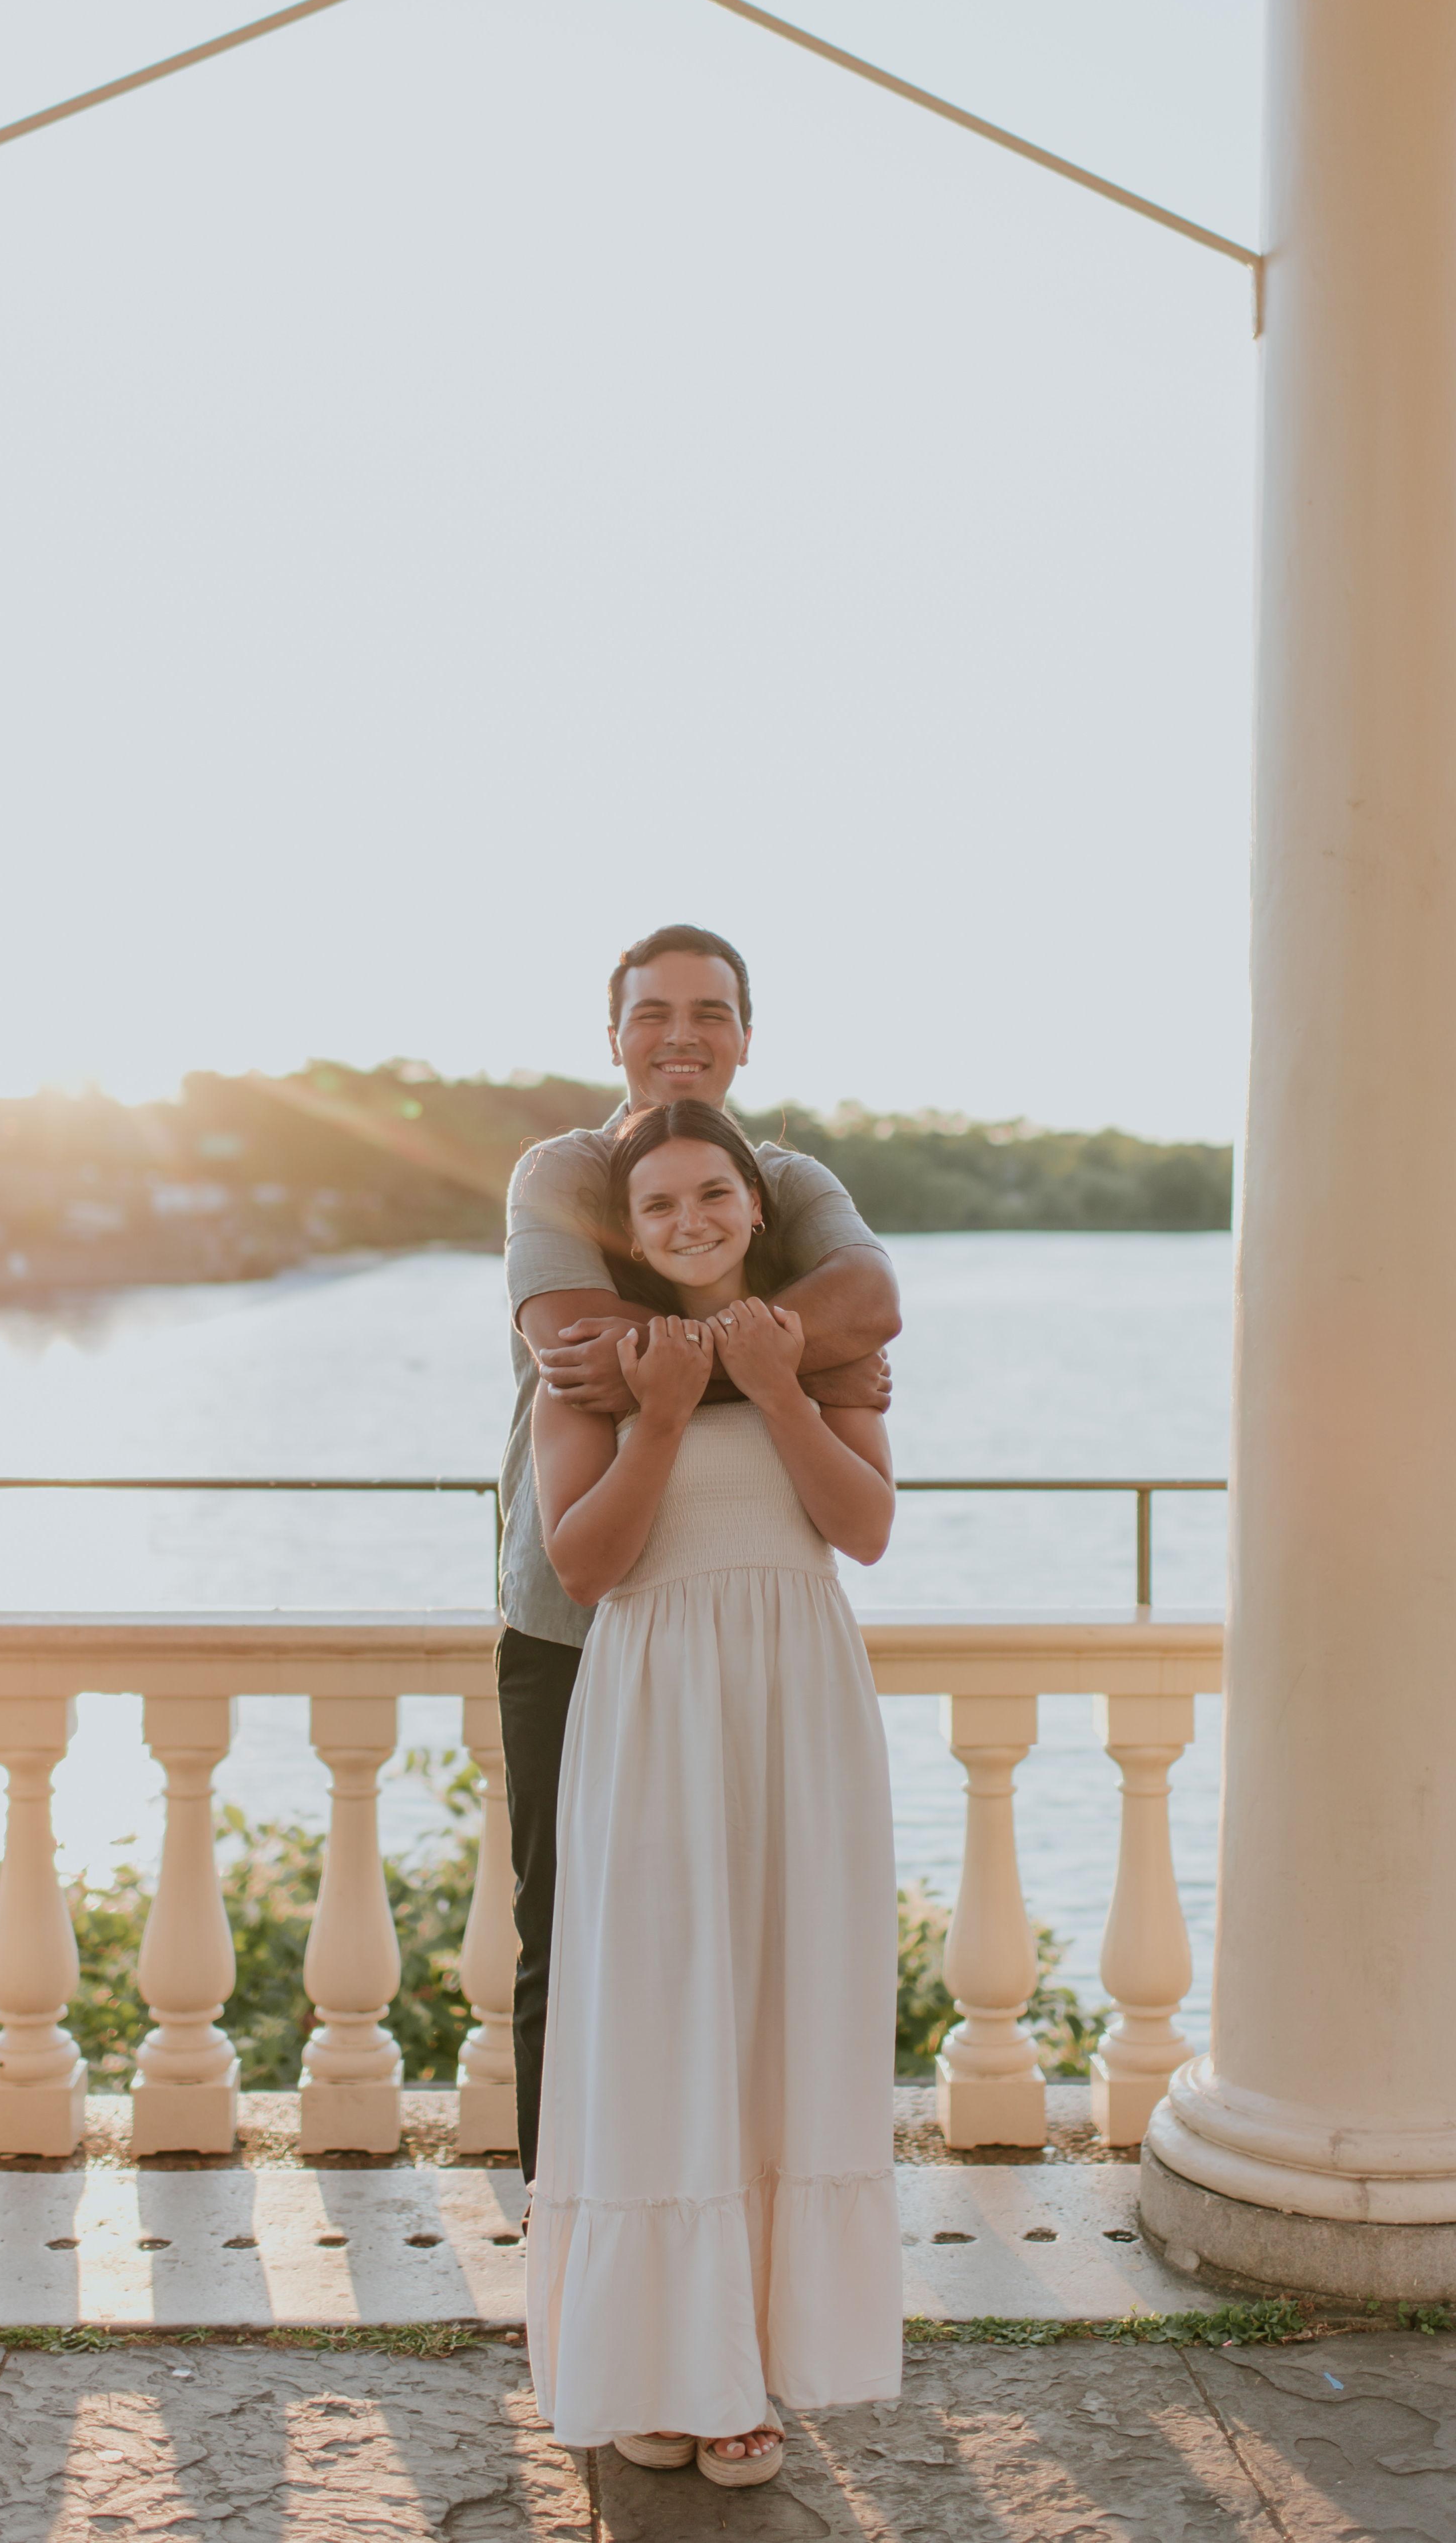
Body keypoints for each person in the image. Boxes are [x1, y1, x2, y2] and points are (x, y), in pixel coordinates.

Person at [522, 1099, 902, 2477]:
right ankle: (654, 2362)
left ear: (754, 1205)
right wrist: (663, 1417)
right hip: (656, 1708)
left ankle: (749, 2368)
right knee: (659, 2018)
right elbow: (584, 1567)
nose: (690, 1220)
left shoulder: (828, 1355)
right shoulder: (593, 1375)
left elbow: (863, 1527)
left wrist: (779, 1387)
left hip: (798, 1703)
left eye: (713, 1194)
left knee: (781, 2015)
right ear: (630, 1234)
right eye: (659, 1205)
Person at [494, 925, 900, 2192]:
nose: (683, 1035)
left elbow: (873, 1303)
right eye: (654, 1013)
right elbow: (575, 1340)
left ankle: (741, 2233)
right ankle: (573, 2240)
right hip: (577, 1618)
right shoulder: (562, 1171)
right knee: (576, 1935)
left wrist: (681, 1368)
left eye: (711, 1012)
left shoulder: (786, 1176)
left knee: (757, 1941)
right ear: (614, 1036)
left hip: (753, 1639)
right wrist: (791, 1359)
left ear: (747, 1035)